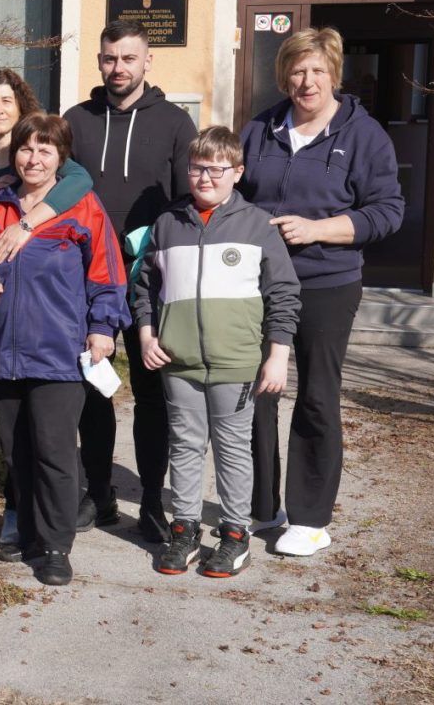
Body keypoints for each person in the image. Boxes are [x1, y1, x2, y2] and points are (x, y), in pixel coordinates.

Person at [240, 27, 403, 557]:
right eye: (295, 70)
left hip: (326, 282)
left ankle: (310, 518)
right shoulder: (261, 128)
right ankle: (263, 507)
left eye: (316, 70)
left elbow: (386, 211)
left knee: (314, 395)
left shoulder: (363, 134)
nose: (305, 81)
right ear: (283, 75)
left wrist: (317, 229)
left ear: (334, 73)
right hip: (258, 282)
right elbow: (234, 192)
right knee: (256, 392)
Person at [0, 113, 128, 586]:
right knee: (16, 450)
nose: (34, 158)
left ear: (61, 158)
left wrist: (103, 328)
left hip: (59, 351)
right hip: (2, 350)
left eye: (45, 150)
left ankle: (56, 546)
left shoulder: (82, 207)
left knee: (53, 450)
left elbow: (108, 274)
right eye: (26, 149)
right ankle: (30, 534)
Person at [132, 127, 300, 577]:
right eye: (196, 168)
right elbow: (144, 288)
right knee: (185, 445)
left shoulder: (258, 225)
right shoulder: (168, 225)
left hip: (237, 361)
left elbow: (283, 293)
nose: (205, 178)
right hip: (178, 361)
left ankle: (234, 535)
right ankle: (184, 530)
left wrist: (278, 354)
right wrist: (148, 336)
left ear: (237, 172)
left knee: (231, 449)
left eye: (216, 169)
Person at [64, 19, 197, 543]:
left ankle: (152, 504)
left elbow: (187, 196)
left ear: (147, 62)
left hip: (149, 280)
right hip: (87, 277)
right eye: (108, 58)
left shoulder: (174, 123)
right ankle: (97, 493)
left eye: (128, 59)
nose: (117, 68)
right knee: (92, 389)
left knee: (151, 393)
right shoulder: (76, 119)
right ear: (99, 60)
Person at [0, 68, 94, 549]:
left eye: (5, 100)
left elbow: (80, 183)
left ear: (21, 104)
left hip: (46, 315)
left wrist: (27, 221)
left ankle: (27, 515)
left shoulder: (46, 148)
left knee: (40, 430)